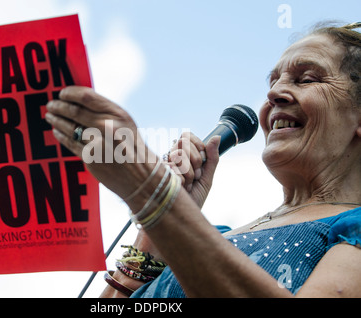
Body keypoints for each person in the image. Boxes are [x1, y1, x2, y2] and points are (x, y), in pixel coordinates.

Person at [45, 21, 361, 297]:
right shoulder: (214, 236)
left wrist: (152, 195)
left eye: (305, 79)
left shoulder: (353, 228)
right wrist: (153, 235)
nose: (274, 94)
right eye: (273, 81)